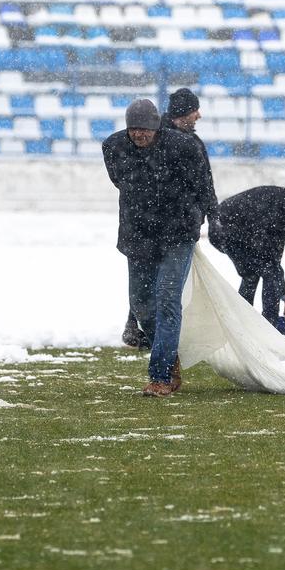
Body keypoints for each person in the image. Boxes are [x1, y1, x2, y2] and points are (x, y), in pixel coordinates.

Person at [102, 98, 214, 396]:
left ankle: (161, 375)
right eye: (133, 130)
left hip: (177, 235)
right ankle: (169, 354)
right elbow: (122, 182)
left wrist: (202, 217)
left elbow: (203, 186)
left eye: (145, 130)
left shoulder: (184, 147)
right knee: (141, 304)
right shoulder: (113, 147)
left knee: (166, 299)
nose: (139, 135)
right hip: (138, 236)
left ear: (156, 127)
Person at [121, 87, 216, 350]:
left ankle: (159, 353)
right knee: (152, 290)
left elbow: (204, 184)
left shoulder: (188, 143)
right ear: (183, 112)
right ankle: (149, 333)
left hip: (177, 229)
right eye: (194, 109)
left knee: (164, 293)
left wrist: (207, 214)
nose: (199, 115)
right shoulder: (156, 140)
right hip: (152, 227)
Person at [208, 185, 285, 325]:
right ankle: (268, 324)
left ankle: (242, 322)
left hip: (228, 229)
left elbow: (274, 263)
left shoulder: (279, 220)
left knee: (254, 274)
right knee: (265, 273)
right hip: (228, 228)